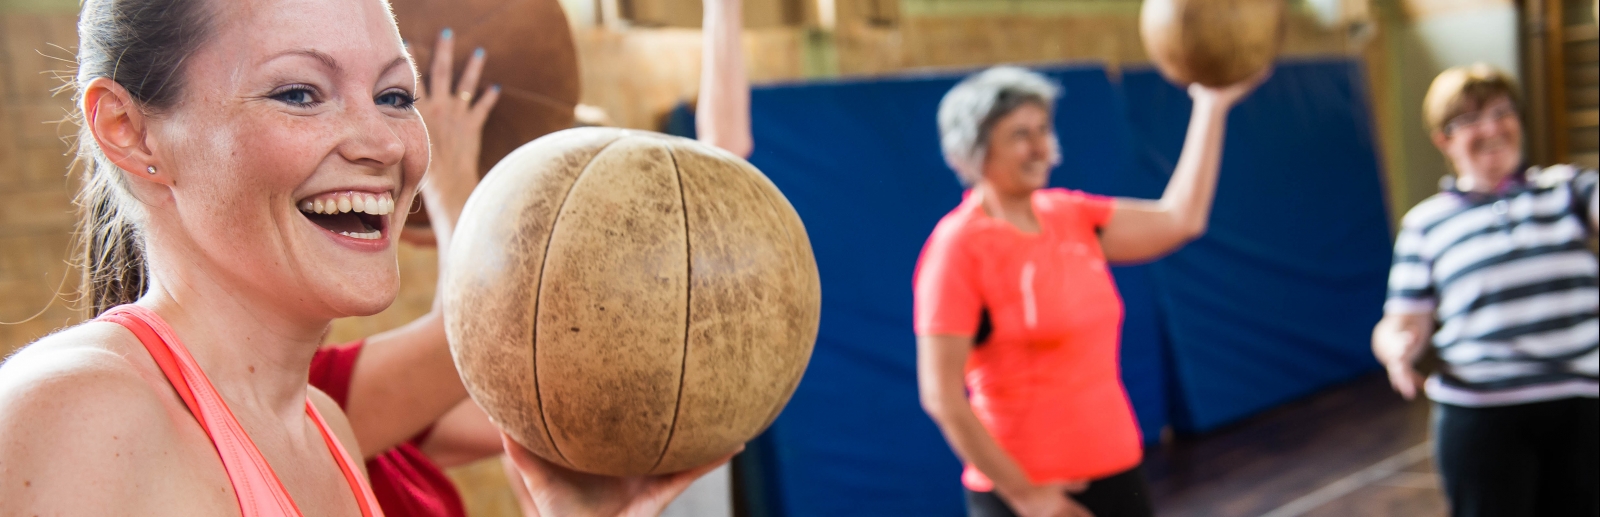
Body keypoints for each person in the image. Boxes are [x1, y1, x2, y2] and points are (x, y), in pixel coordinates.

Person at [0, 0, 726, 515]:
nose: (383, 142)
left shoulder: (323, 426)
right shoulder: (81, 413)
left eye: (394, 94)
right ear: (129, 130)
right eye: (299, 92)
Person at [314, 0, 755, 511]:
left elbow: (473, 351)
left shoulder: (377, 426)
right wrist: (450, 183)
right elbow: (475, 340)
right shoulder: (321, 402)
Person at [913, 66, 1264, 517]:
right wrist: (1025, 496)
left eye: (1042, 128)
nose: (1041, 146)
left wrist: (1210, 106)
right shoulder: (956, 249)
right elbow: (940, 394)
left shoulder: (1070, 215)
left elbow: (1181, 219)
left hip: (1118, 474)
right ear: (976, 151)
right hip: (1031, 495)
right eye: (1021, 134)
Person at [1371, 63, 1598, 517]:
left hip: (1580, 405)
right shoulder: (1425, 223)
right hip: (1481, 412)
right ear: (1444, 139)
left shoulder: (1568, 190)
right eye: (1471, 119)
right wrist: (1398, 348)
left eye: (1502, 112)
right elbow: (1400, 320)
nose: (1492, 127)